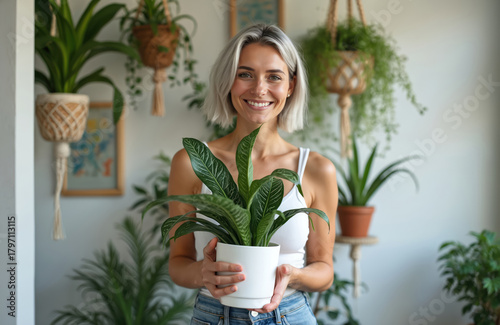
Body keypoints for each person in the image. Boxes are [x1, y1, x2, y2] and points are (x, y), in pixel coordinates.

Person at [167, 24, 338, 325]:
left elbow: (324, 270)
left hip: (289, 314)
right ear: (228, 81)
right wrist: (203, 273)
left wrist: (292, 275)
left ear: (291, 86)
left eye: (274, 76)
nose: (259, 89)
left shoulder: (315, 169)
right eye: (245, 74)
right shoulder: (191, 162)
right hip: (213, 314)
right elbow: (178, 263)